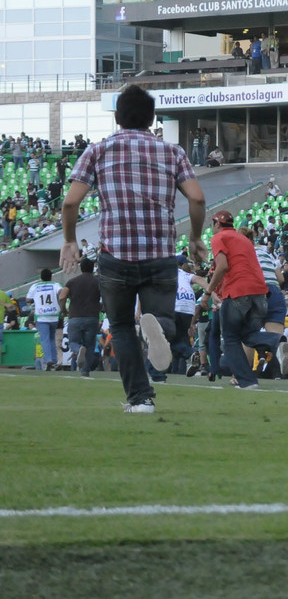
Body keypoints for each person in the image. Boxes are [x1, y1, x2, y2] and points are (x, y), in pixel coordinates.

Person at [60, 84, 207, 414]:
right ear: (152, 118)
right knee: (161, 317)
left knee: (123, 327)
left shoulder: (97, 151)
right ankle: (159, 328)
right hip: (160, 253)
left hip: (116, 255)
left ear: (117, 117)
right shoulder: (173, 152)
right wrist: (196, 237)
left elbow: (70, 203)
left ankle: (140, 400)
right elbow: (197, 198)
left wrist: (70, 240)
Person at [206, 210, 277, 389]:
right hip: (260, 292)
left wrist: (208, 292)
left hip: (238, 291)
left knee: (230, 338)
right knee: (247, 335)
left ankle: (247, 381)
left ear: (216, 224)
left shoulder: (218, 238)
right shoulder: (244, 239)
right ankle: (276, 342)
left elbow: (222, 266)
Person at [60, 258, 101, 378]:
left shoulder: (72, 282)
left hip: (75, 317)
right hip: (92, 317)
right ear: (92, 267)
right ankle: (85, 371)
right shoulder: (98, 282)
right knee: (90, 345)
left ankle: (78, 350)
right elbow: (106, 297)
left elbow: (62, 297)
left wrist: (64, 311)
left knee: (73, 342)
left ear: (81, 268)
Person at [27, 268, 62, 371]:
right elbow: (61, 292)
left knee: (44, 339)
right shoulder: (55, 285)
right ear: (51, 276)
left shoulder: (35, 286)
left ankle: (49, 360)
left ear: (41, 277)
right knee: (51, 338)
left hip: (41, 316)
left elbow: (28, 299)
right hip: (54, 315)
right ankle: (54, 360)